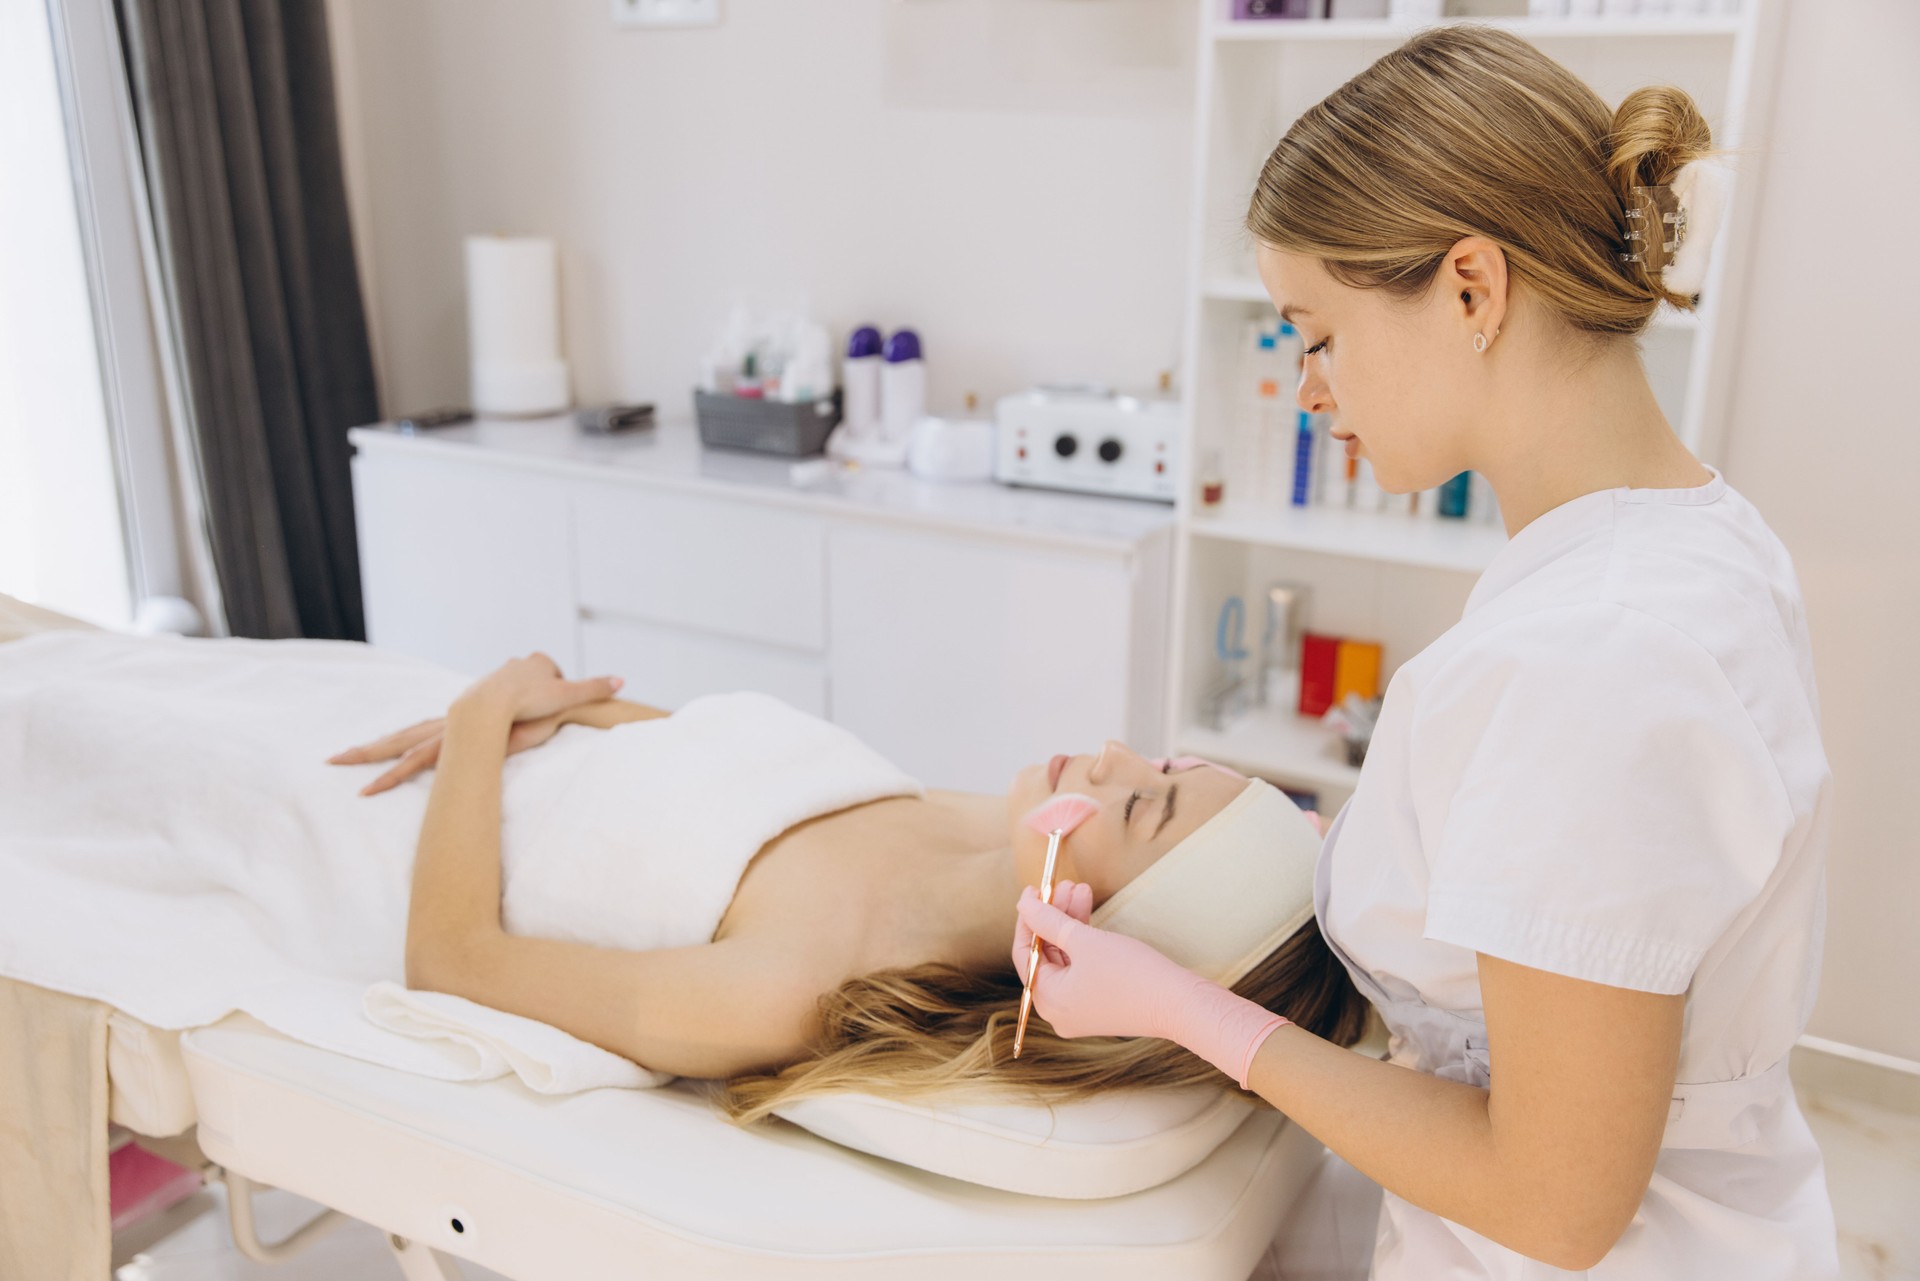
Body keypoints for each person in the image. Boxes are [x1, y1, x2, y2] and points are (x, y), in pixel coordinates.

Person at [1012, 24, 1837, 1280]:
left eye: (1318, 332)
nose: (1306, 388)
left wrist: (1183, 1010)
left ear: (1470, 288)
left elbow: (1556, 1203)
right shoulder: (1683, 543)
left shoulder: (1596, 659)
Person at [328, 649, 1372, 1118]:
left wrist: (478, 722)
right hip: (448, 732)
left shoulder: (788, 990)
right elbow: (726, 766)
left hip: (379, 821)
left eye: (1141, 805)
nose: (1111, 752)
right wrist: (545, 710)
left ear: (1102, 940)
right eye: (1166, 766)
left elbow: (450, 960)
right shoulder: (979, 823)